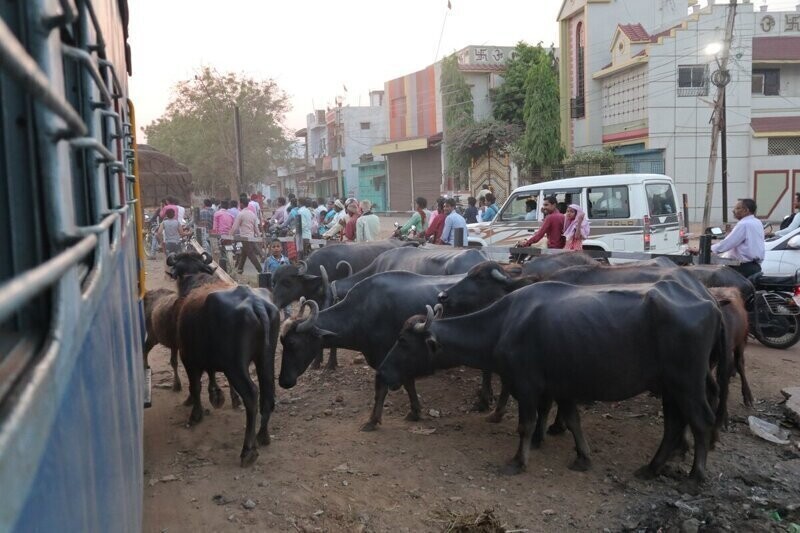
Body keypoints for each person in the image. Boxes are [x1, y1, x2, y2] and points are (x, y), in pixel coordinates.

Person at [710, 198, 765, 278]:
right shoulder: (757, 222)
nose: (733, 211)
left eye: (737, 208)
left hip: (741, 268)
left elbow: (728, 243)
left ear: (746, 210)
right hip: (754, 267)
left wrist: (709, 249)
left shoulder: (743, 224)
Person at [229, 200, 262, 274]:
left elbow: (235, 227)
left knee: (251, 255)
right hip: (251, 237)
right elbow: (256, 228)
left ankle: (260, 270)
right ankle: (239, 269)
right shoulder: (252, 214)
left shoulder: (241, 214)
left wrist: (229, 236)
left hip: (244, 238)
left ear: (241, 204)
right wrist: (259, 237)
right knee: (244, 254)